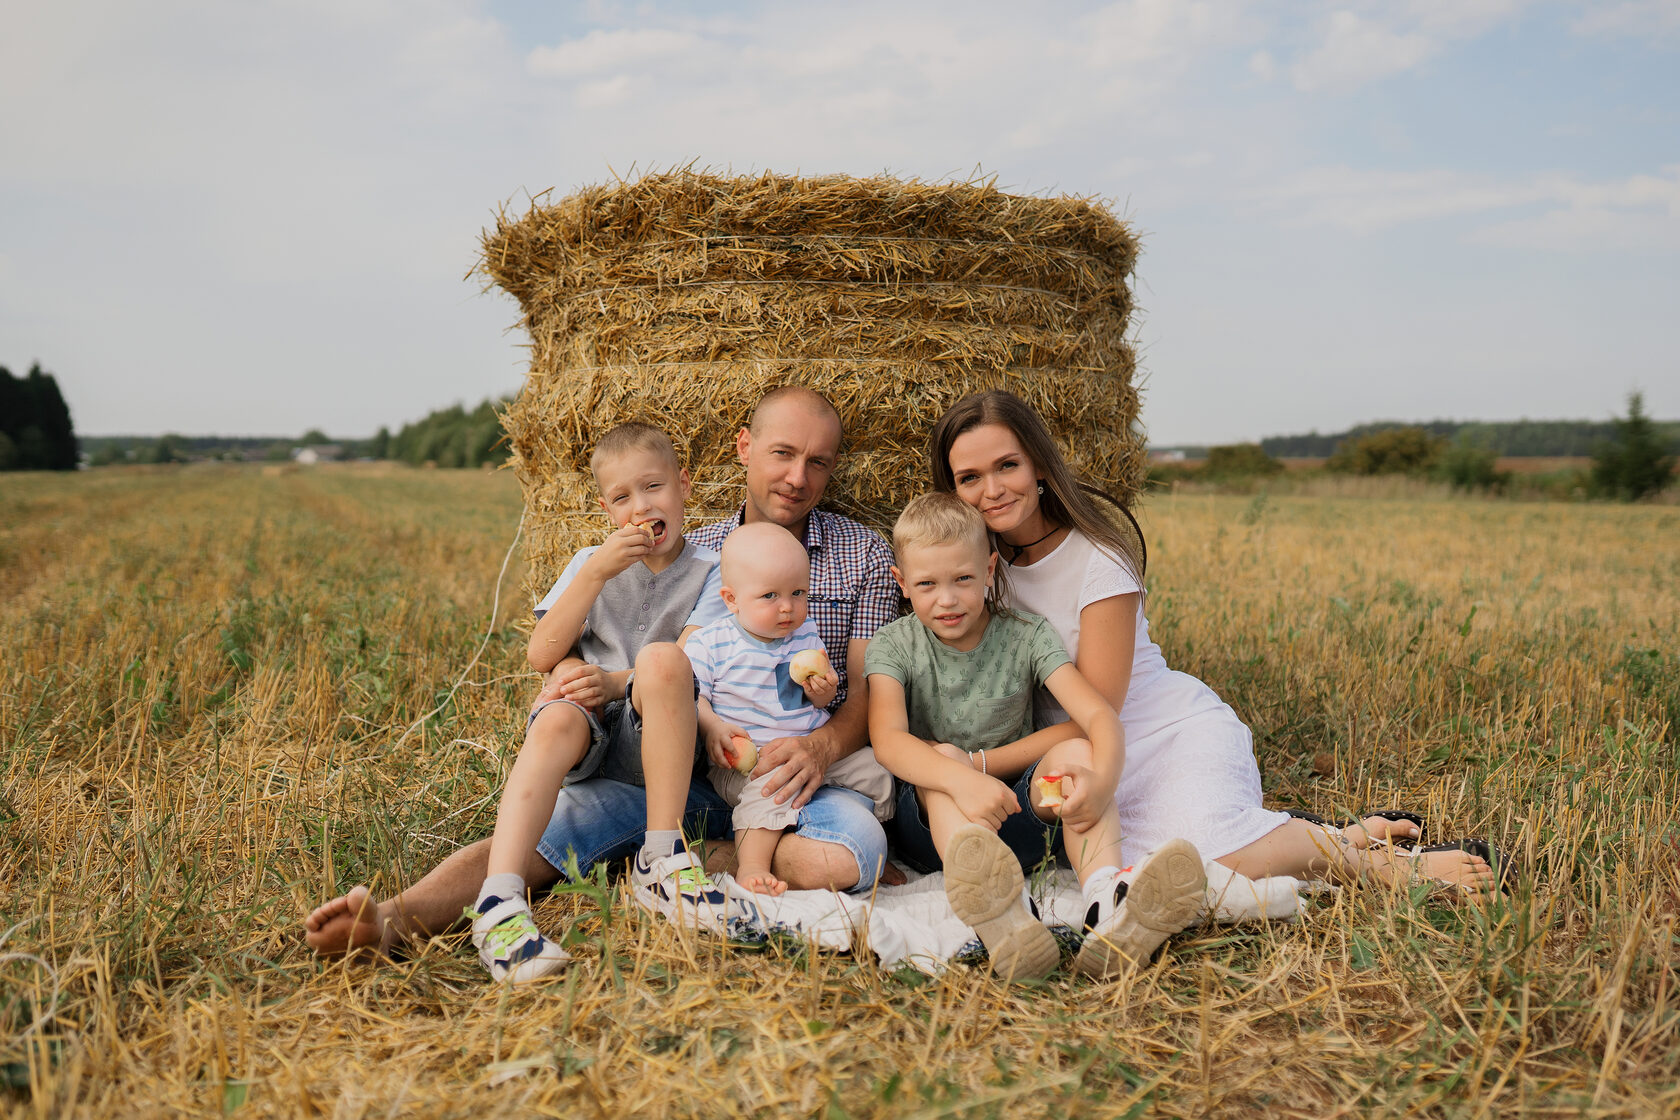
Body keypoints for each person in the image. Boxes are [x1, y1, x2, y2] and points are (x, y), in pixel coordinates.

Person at [304, 387, 897, 960]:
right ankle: (386, 921)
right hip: (679, 772)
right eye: (783, 454)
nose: (798, 477)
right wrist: (571, 676)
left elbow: (865, 694)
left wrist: (819, 748)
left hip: (791, 780)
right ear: (745, 449)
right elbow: (597, 649)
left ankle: (659, 854)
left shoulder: (863, 554)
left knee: (850, 856)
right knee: (543, 835)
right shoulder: (695, 544)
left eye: (818, 461)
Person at [928, 390, 1499, 898]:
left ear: (1040, 466)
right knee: (1133, 877)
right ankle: (1336, 837)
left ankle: (1379, 867)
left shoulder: (1097, 560)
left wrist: (979, 763)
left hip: (1158, 734)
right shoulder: (971, 574)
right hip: (1069, 760)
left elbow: (1098, 711)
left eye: (1008, 466)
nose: (993, 490)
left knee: (1191, 866)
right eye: (969, 478)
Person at [867, 493, 1206, 982]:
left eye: (963, 579)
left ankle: (1105, 905)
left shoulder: (1026, 634)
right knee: (938, 757)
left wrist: (1101, 777)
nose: (947, 598)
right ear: (902, 584)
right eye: (927, 584)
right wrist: (962, 779)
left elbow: (1096, 714)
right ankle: (1004, 914)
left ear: (989, 570)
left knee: (1071, 755)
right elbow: (889, 741)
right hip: (934, 831)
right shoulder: (895, 644)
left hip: (1024, 810)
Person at [464, 421, 739, 982]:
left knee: (663, 662)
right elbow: (542, 653)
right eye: (622, 497)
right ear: (604, 508)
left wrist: (612, 682)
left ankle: (659, 858)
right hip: (589, 727)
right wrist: (594, 573)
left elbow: (690, 662)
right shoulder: (590, 561)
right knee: (559, 710)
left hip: (658, 732)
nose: (641, 507)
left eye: (654, 487)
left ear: (685, 486)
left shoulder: (714, 573)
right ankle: (499, 901)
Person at [686, 522, 893, 896]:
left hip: (811, 748)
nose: (788, 607)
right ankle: (750, 866)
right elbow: (691, 696)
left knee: (877, 770)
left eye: (798, 592)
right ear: (731, 599)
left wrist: (823, 691)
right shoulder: (712, 643)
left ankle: (879, 844)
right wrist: (712, 726)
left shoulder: (804, 632)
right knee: (768, 793)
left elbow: (817, 701)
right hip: (753, 759)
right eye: (770, 596)